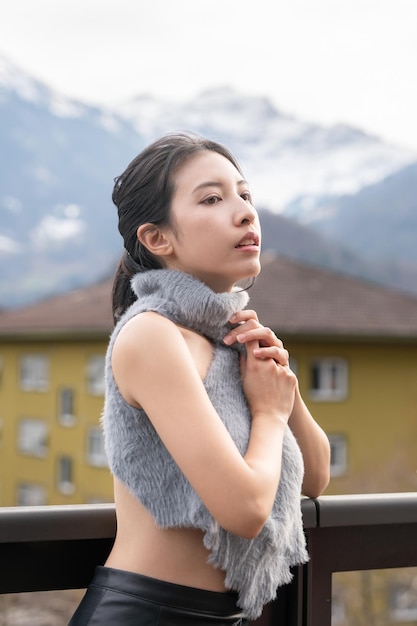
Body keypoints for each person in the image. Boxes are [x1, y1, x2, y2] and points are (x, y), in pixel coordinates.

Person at [68, 132, 330, 625]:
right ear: (157, 237)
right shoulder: (151, 335)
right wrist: (268, 413)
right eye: (212, 198)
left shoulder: (232, 339)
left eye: (245, 194)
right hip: (145, 613)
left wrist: (280, 383)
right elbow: (246, 510)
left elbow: (315, 478)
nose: (245, 212)